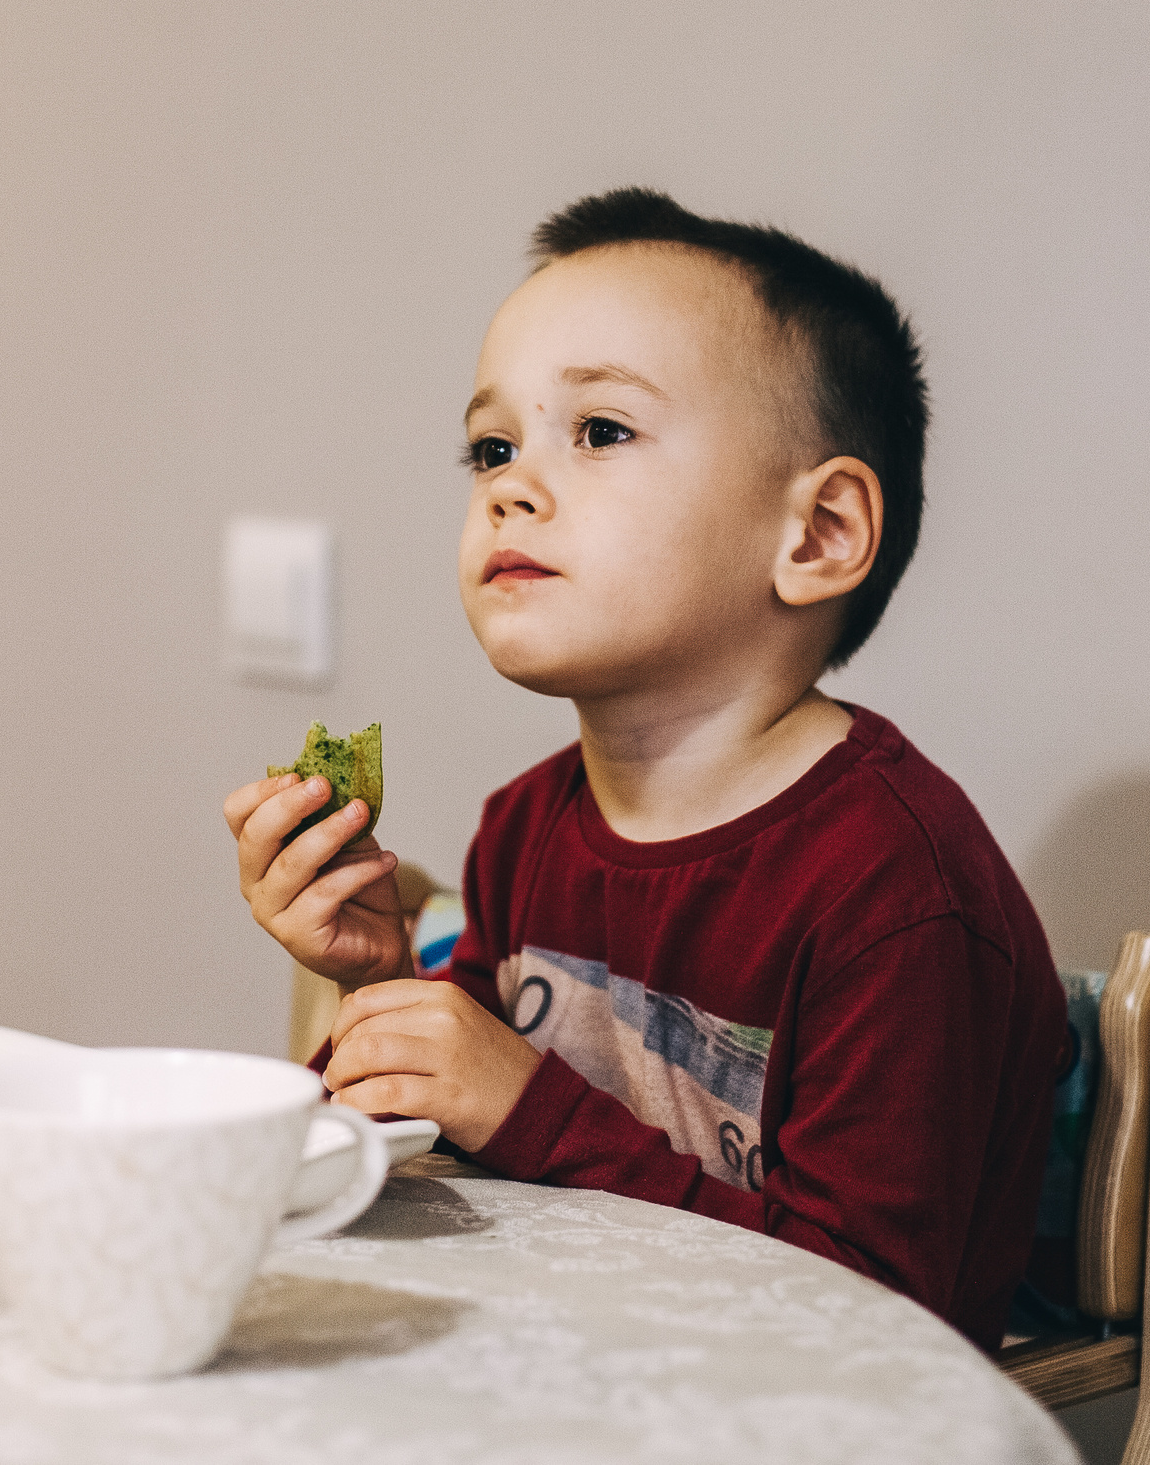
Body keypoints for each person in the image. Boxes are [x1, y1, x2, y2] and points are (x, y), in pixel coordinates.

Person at [222, 188, 1064, 1347]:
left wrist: (524, 1105)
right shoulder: (524, 826)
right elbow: (449, 1154)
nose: (510, 485)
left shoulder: (895, 891)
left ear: (815, 535)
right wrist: (376, 987)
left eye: (601, 431)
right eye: (491, 447)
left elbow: (872, 1319)